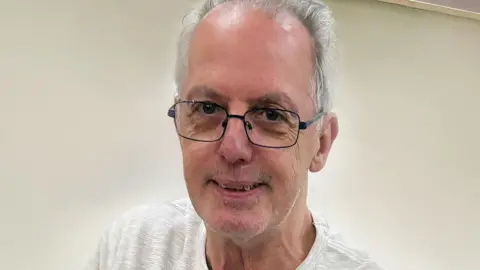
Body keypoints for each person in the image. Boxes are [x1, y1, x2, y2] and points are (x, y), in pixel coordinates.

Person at [87, 0, 382, 269]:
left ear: (321, 144)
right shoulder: (131, 249)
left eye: (271, 115)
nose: (233, 148)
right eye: (206, 108)